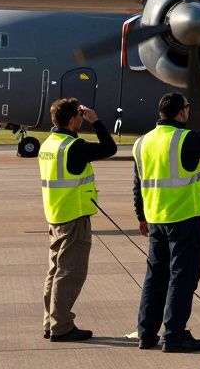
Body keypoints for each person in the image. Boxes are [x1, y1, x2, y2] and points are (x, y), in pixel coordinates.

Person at [133, 87, 200, 352]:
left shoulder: (142, 142)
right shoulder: (183, 139)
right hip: (183, 218)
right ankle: (174, 335)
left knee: (155, 277)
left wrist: (142, 217)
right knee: (183, 277)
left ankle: (147, 334)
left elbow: (138, 183)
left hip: (156, 218)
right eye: (188, 108)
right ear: (181, 112)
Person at [40, 97, 118, 342]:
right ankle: (61, 326)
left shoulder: (49, 145)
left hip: (55, 215)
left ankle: (50, 322)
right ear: (73, 118)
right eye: (80, 116)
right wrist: (96, 121)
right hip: (74, 217)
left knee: (54, 271)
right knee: (70, 273)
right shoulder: (72, 146)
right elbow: (109, 148)